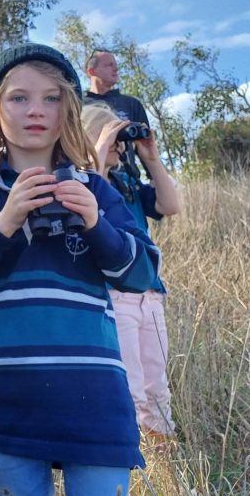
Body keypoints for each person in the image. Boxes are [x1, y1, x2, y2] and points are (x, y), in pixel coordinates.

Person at [0, 44, 161, 496]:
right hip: (9, 398)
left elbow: (142, 274)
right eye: (19, 98)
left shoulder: (95, 188)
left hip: (94, 397)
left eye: (51, 98)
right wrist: (3, 222)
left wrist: (96, 223)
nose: (36, 110)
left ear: (69, 111)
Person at [82, 103, 181, 442]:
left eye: (120, 137)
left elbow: (171, 206)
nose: (119, 144)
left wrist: (151, 158)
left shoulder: (126, 183)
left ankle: (163, 465)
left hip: (150, 294)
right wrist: (96, 150)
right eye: (111, 137)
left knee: (157, 386)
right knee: (129, 388)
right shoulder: (82, 184)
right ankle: (128, 465)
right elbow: (88, 188)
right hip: (114, 295)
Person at [84, 49, 151, 179]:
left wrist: (154, 177)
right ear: (92, 71)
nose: (116, 69)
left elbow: (143, 144)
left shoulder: (131, 104)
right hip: (89, 178)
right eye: (109, 65)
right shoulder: (78, 104)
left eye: (115, 65)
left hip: (128, 182)